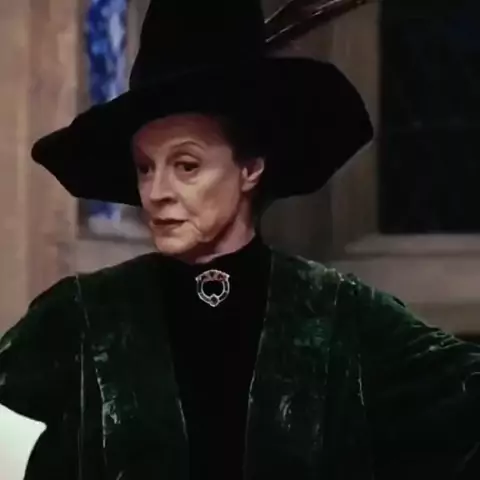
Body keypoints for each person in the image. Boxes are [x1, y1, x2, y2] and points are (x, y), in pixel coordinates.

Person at [1, 0, 480, 479]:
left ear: (250, 168)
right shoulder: (80, 318)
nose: (156, 192)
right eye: (145, 167)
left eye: (186, 166)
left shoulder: (339, 317)